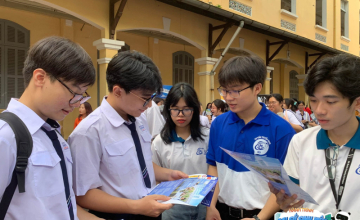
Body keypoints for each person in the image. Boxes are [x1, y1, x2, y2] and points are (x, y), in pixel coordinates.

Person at [68, 51, 188, 220]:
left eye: (152, 98)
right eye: (145, 98)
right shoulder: (89, 132)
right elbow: (83, 194)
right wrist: (137, 207)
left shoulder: (139, 120)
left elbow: (138, 163)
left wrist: (168, 175)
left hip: (150, 209)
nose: (149, 105)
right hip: (118, 215)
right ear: (118, 91)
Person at [0, 36, 101, 219]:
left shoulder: (51, 133)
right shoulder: (6, 137)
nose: (75, 103)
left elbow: (62, 206)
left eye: (81, 96)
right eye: (73, 92)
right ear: (40, 78)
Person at [269, 54, 360, 219]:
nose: (319, 110)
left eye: (330, 102)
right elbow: (292, 201)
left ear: (357, 102)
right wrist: (286, 203)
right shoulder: (301, 141)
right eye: (313, 100)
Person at [206, 55, 296, 220]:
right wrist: (210, 205)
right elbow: (213, 166)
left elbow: (285, 183)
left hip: (262, 215)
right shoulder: (219, 124)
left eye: (236, 90)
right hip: (222, 212)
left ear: (257, 88)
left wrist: (259, 218)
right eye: (224, 90)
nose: (228, 97)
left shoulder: (280, 129)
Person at [152, 82, 209, 220]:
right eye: (175, 109)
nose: (180, 115)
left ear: (194, 110)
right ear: (168, 110)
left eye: (186, 109)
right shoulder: (160, 141)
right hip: (172, 207)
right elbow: (154, 173)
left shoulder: (207, 136)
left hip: (203, 204)